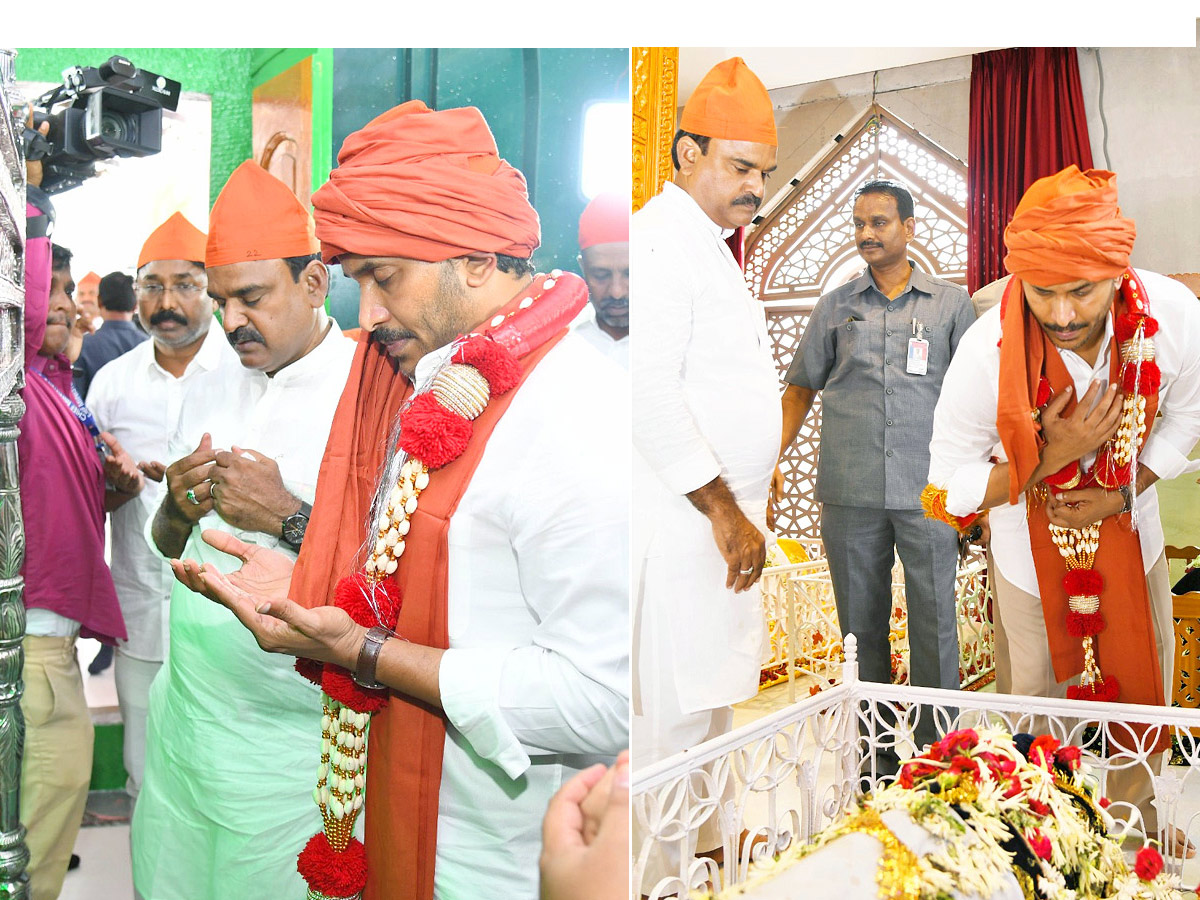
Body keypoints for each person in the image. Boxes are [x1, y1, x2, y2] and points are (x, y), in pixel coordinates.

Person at [172, 99, 629, 900]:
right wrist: (315, 587)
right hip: (406, 815)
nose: (370, 316)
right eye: (360, 283)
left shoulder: (573, 408)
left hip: (498, 855)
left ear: (478, 260)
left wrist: (365, 654)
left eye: (385, 278)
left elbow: (606, 701)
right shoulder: (439, 378)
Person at [925, 165, 1200, 850]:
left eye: (1083, 290)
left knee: (1145, 695)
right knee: (1040, 703)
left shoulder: (1172, 317)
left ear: (1118, 272)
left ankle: (1136, 841)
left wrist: (1120, 489)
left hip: (1134, 532)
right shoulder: (985, 351)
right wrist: (1048, 455)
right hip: (1026, 550)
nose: (1066, 313)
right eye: (1045, 293)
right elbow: (942, 489)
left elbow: (1188, 415)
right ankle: (1048, 849)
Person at [131, 162, 356, 900]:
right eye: (222, 299)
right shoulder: (214, 375)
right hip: (188, 723)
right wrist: (179, 505)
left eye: (252, 298)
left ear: (316, 283)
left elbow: (404, 581)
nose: (230, 322)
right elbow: (166, 543)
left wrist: (285, 515)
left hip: (287, 748)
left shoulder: (370, 393)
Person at [630, 56, 779, 882]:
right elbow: (647, 396)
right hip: (685, 525)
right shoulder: (660, 241)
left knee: (713, 712)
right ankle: (657, 879)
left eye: (765, 172)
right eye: (741, 167)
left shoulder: (711, 247)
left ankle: (713, 863)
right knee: (672, 726)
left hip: (721, 520)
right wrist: (725, 508)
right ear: (687, 153)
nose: (756, 186)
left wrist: (754, 482)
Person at [777, 179, 976, 761]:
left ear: (909, 228)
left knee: (935, 623)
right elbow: (798, 391)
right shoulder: (836, 307)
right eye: (859, 223)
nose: (866, 233)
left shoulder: (949, 305)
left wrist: (981, 486)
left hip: (931, 490)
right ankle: (875, 760)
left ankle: (941, 758)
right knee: (859, 631)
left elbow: (974, 399)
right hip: (851, 490)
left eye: (879, 223)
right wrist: (768, 461)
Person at [85, 211, 237, 802]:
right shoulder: (113, 384)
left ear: (210, 290)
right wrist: (116, 483)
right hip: (141, 611)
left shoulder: (244, 372)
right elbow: (91, 497)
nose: (165, 301)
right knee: (143, 774)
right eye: (152, 285)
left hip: (227, 622)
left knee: (219, 780)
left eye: (183, 284)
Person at [19, 232, 136, 900]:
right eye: (56, 290)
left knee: (51, 808)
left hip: (54, 642)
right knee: (39, 815)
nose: (71, 309)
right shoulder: (19, 389)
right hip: (32, 648)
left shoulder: (54, 388)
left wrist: (116, 478)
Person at [574, 191, 629, 367]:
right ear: (583, 268)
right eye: (601, 275)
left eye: (631, 274)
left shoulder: (677, 337)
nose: (617, 292)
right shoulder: (562, 338)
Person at [74, 271, 147, 398]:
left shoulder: (81, 346)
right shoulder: (151, 346)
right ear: (135, 305)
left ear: (99, 301)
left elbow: (76, 400)